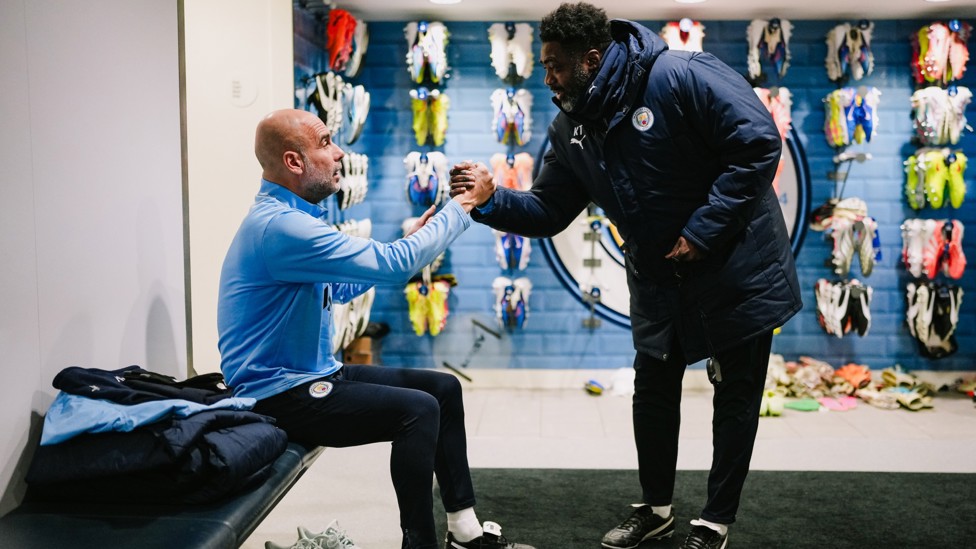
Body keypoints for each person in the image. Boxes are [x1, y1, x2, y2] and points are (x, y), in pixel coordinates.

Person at [450, 4, 802, 549]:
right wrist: (493, 201)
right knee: (653, 390)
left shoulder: (681, 74)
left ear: (590, 59)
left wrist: (702, 231)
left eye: (555, 67)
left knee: (735, 395)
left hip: (737, 265)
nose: (547, 79)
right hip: (662, 277)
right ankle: (656, 509)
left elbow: (757, 142)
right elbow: (548, 210)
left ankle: (715, 520)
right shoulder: (572, 129)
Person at [217, 108, 534, 549]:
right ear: (294, 162)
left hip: (313, 375)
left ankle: (465, 532)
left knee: (443, 389)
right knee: (417, 411)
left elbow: (344, 287)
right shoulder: (282, 227)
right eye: (326, 142)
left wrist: (419, 239)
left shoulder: (293, 216)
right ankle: (418, 542)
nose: (339, 152)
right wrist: (462, 205)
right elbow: (391, 266)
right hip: (279, 393)